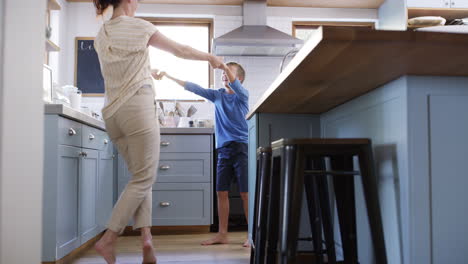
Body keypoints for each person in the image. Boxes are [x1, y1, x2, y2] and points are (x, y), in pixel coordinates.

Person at [92, 0, 224, 263]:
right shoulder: (139, 27)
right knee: (143, 178)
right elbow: (180, 50)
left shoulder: (101, 34)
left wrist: (147, 70)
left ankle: (147, 242)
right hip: (136, 108)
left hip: (112, 113)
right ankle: (108, 238)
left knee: (140, 178)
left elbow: (122, 69)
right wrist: (210, 57)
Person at [152, 61, 250, 247]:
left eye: (228, 73)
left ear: (239, 79)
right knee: (221, 192)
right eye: (222, 73)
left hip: (241, 148)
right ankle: (222, 235)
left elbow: (235, 85)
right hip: (223, 149)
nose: (223, 75)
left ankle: (252, 235)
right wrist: (168, 75)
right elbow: (193, 88)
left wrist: (223, 65)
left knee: (245, 193)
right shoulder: (217, 95)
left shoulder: (242, 96)